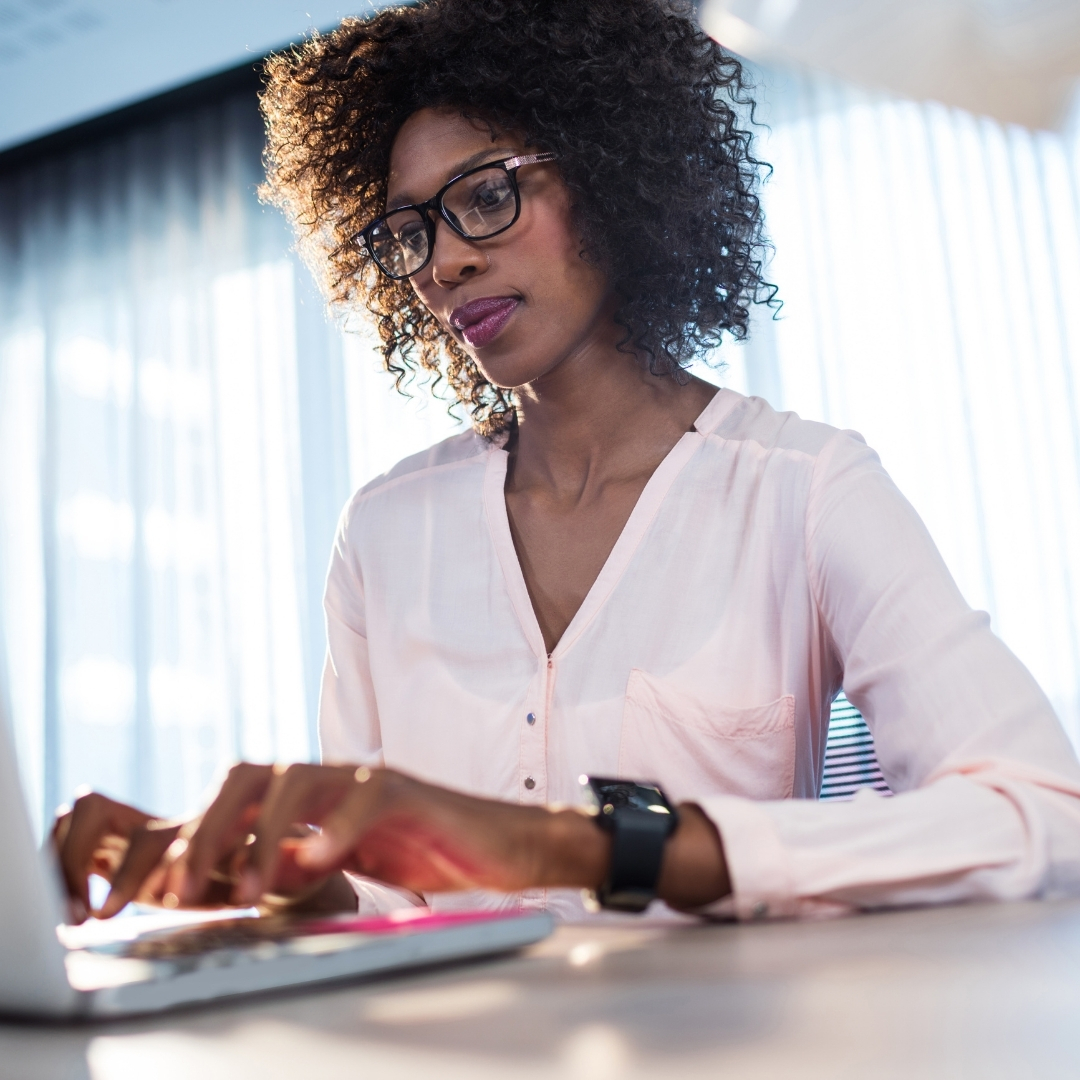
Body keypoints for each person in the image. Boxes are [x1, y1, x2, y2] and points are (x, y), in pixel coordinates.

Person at [54, 0, 1080, 926]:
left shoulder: (803, 488)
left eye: (486, 195)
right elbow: (379, 895)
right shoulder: (385, 531)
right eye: (409, 232)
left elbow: (1040, 816)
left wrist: (569, 844)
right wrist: (264, 871)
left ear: (610, 171)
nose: (447, 262)